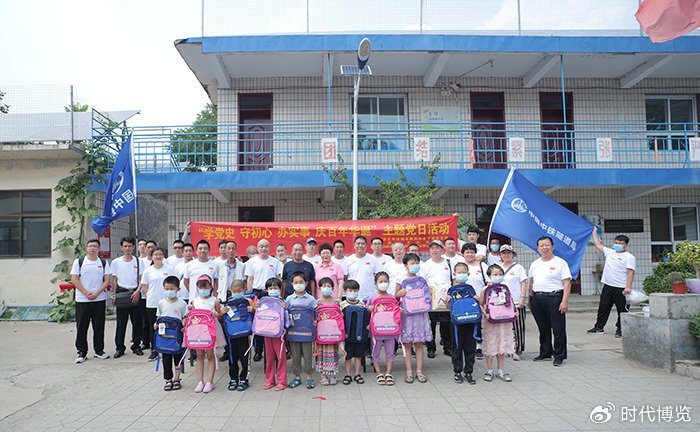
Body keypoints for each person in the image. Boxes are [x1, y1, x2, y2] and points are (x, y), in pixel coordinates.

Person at [529, 236, 571, 367]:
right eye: (541, 245)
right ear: (538, 248)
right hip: (537, 298)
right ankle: (546, 352)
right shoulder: (535, 264)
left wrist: (564, 301)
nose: (544, 248)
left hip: (555, 298)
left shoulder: (560, 263)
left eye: (547, 245)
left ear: (552, 246)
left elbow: (567, 283)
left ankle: (559, 356)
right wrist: (530, 298)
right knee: (543, 328)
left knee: (558, 329)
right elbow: (531, 282)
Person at [588, 227, 636, 338]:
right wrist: (594, 232)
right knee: (603, 307)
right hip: (608, 286)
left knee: (622, 310)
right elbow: (598, 245)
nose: (617, 245)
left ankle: (621, 329)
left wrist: (628, 287)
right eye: (616, 243)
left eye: (620, 243)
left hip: (621, 288)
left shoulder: (629, 257)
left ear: (626, 245)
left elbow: (630, 273)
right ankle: (599, 327)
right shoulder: (610, 252)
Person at [71, 239, 111, 363]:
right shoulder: (79, 262)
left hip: (99, 299)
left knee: (99, 326)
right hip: (82, 299)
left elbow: (106, 280)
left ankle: (99, 350)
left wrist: (96, 293)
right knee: (82, 326)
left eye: (94, 246)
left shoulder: (103, 263)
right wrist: (85, 292)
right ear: (86, 248)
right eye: (89, 246)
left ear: (99, 249)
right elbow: (75, 279)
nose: (92, 248)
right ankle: (81, 352)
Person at [395, 253, 432, 384]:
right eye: (412, 263)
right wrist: (399, 294)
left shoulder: (422, 279)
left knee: (420, 344)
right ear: (405, 265)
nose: (415, 265)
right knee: (407, 344)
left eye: (417, 263)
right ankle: (409, 371)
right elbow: (395, 298)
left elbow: (428, 295)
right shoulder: (400, 279)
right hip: (407, 316)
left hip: (420, 315)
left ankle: (419, 371)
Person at [245, 239, 282, 362]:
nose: (264, 248)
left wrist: (279, 295)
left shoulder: (275, 262)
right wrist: (250, 296)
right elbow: (250, 279)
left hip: (272, 293)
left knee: (272, 320)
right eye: (261, 246)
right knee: (258, 321)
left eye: (266, 246)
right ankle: (258, 350)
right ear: (258, 247)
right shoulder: (251, 262)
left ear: (269, 247)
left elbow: (279, 279)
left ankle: (271, 351)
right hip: (257, 293)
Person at [480, 265, 516, 382]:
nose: (498, 276)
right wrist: (485, 314)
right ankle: (489, 370)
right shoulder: (485, 289)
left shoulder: (504, 288)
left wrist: (514, 312)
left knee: (502, 344)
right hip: (491, 322)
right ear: (489, 276)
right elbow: (480, 303)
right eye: (495, 274)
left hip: (504, 321)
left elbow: (510, 302)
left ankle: (501, 370)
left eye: (500, 274)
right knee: (490, 344)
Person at [190, 275, 226, 393]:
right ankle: (200, 381)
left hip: (211, 330)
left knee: (211, 355)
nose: (203, 290)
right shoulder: (195, 301)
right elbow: (192, 315)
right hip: (198, 330)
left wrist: (217, 314)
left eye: (206, 287)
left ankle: (210, 381)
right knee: (199, 355)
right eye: (201, 287)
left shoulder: (215, 300)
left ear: (211, 287)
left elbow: (220, 315)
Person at [111, 237, 144, 358]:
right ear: (121, 247)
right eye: (125, 246)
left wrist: (138, 291)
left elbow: (142, 279)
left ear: (134, 247)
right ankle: (120, 348)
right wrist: (114, 294)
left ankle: (136, 345)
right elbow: (114, 279)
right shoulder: (116, 262)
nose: (127, 248)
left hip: (135, 292)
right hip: (121, 293)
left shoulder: (138, 261)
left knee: (137, 323)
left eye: (130, 246)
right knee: (121, 323)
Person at [140, 247, 175, 361]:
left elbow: (174, 284)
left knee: (167, 326)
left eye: (160, 254)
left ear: (163, 256)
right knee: (153, 327)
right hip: (152, 303)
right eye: (155, 254)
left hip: (167, 302)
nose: (158, 256)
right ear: (151, 256)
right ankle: (154, 350)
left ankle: (167, 348)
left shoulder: (170, 269)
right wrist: (150, 294)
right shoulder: (148, 271)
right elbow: (144, 285)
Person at [420, 240, 453, 358]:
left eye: (437, 248)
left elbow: (453, 279)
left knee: (446, 324)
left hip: (445, 298)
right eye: (432, 248)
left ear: (442, 250)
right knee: (431, 324)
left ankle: (447, 347)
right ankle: (431, 348)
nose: (434, 250)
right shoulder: (425, 265)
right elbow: (422, 282)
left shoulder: (448, 263)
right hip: (431, 298)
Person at [155, 275, 187, 391]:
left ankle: (177, 379)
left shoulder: (182, 304)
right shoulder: (161, 303)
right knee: (166, 358)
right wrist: (156, 324)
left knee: (178, 358)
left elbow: (185, 316)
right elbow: (159, 317)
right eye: (167, 289)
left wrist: (183, 326)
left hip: (177, 335)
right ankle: (168, 380)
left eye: (172, 289)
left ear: (178, 289)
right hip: (164, 336)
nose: (169, 291)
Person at [285, 272, 316, 389]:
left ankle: (309, 377)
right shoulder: (289, 299)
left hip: (307, 332)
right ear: (292, 284)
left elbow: (316, 314)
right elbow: (285, 314)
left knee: (308, 355)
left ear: (306, 283)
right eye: (296, 282)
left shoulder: (311, 299)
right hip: (293, 332)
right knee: (295, 355)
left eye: (301, 282)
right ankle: (297, 377)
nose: (298, 284)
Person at [367, 271, 399, 386]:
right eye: (381, 281)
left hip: (390, 330)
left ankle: (389, 373)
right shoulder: (372, 297)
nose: (383, 283)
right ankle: (379, 373)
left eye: (385, 281)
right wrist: (369, 309)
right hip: (377, 331)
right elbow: (367, 311)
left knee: (390, 352)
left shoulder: (392, 297)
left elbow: (396, 311)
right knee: (375, 352)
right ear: (375, 283)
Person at [449, 262, 478, 385]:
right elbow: (449, 307)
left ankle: (469, 372)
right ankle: (457, 371)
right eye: (459, 272)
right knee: (457, 347)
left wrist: (478, 299)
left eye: (464, 272)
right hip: (457, 323)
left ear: (468, 274)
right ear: (454, 274)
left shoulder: (470, 289)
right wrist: (448, 301)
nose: (461, 274)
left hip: (471, 321)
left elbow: (476, 303)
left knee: (470, 347)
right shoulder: (451, 290)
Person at [499, 244, 528, 360]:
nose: (506, 255)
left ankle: (517, 350)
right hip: (502, 302)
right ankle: (506, 348)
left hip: (516, 301)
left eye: (508, 253)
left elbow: (523, 283)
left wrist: (522, 298)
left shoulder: (518, 267)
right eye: (504, 253)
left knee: (518, 326)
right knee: (504, 326)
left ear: (512, 254)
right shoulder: (498, 267)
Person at [226, 279, 254, 392]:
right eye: (234, 291)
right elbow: (221, 315)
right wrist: (222, 311)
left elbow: (256, 313)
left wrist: (252, 309)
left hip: (244, 334)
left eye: (239, 291)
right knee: (232, 358)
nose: (236, 293)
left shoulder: (248, 301)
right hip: (232, 334)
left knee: (244, 357)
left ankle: (244, 379)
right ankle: (233, 379)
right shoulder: (228, 302)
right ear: (231, 290)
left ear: (244, 290)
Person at [462, 242, 488, 358]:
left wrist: (483, 298)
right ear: (463, 254)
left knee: (479, 324)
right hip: (463, 302)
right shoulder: (460, 266)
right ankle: (466, 346)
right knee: (466, 323)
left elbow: (488, 283)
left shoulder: (482, 266)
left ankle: (479, 346)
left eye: (472, 252)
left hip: (479, 300)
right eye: (467, 252)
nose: (469, 254)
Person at [261, 278, 288, 390]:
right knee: (269, 358)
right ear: (267, 290)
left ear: (280, 289)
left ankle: (282, 381)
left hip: (279, 334)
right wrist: (256, 307)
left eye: (275, 288)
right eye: (270, 288)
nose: (273, 290)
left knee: (281, 357)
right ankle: (270, 380)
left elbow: (287, 318)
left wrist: (285, 309)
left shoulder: (283, 302)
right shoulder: (263, 302)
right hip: (267, 333)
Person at [315, 277, 342, 385]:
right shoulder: (317, 302)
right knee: (322, 354)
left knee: (333, 354)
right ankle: (323, 375)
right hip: (322, 333)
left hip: (334, 333)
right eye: (324, 286)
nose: (326, 288)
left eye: (329, 286)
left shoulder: (337, 302)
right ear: (320, 288)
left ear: (333, 288)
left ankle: (333, 375)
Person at [341, 280, 367, 385]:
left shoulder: (362, 304)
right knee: (347, 356)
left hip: (359, 335)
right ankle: (348, 374)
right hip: (347, 336)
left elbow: (366, 320)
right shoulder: (342, 305)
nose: (353, 292)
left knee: (358, 356)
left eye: (355, 290)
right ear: (345, 291)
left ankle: (357, 374)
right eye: (350, 290)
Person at [346, 236, 379, 302]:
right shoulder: (348, 260)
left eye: (362, 244)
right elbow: (345, 277)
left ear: (366, 246)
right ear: (354, 246)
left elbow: (378, 277)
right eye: (358, 244)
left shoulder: (373, 259)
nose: (360, 246)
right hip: (352, 295)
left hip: (369, 295)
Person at [138, 240, 157, 352]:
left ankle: (158, 343)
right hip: (145, 295)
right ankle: (145, 342)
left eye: (152, 247)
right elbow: (142, 280)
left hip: (157, 298)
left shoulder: (162, 261)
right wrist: (147, 292)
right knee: (145, 321)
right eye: (148, 247)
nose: (150, 249)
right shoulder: (141, 261)